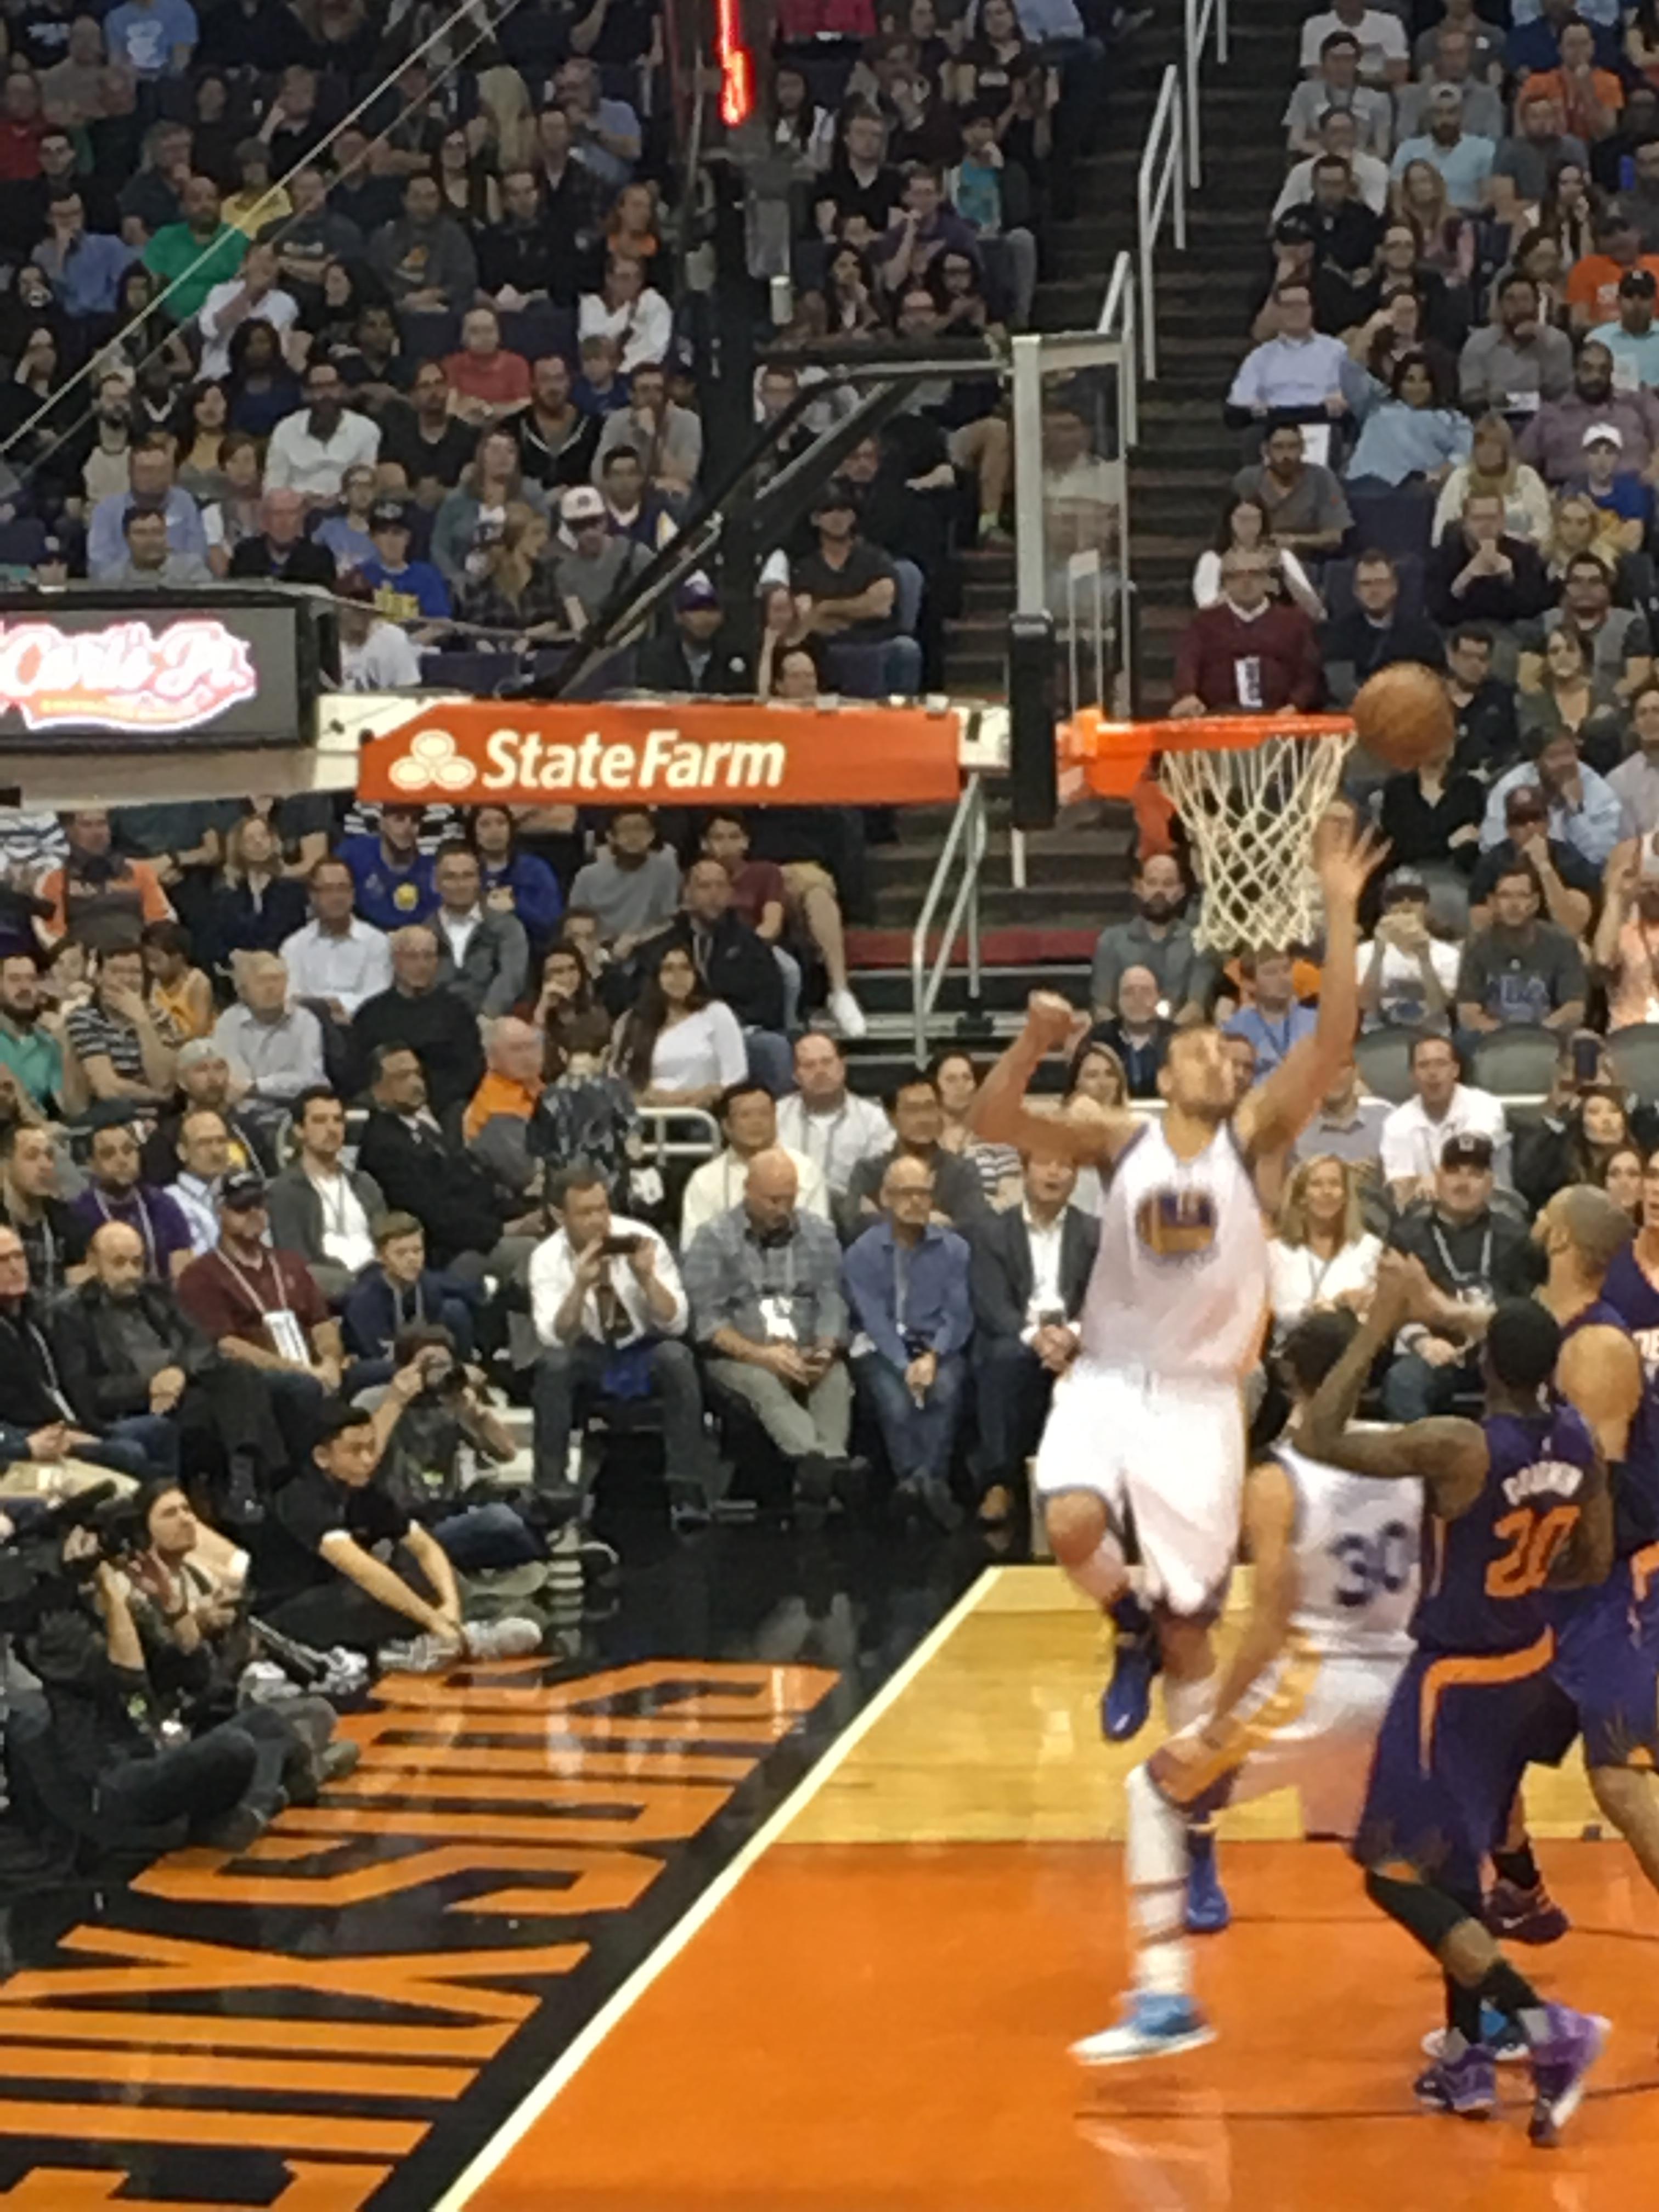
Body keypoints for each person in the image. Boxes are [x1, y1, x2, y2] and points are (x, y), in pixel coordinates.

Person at [969, 820, 1382, 1934]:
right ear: (1170, 1062)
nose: (1225, 1059)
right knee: (1064, 1525)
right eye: (1207, 1049)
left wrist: (1338, 905)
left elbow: (1335, 1033)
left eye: (1235, 1053)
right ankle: (1126, 1619)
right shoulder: (1117, 1134)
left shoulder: (1259, 1140)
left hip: (1203, 1402)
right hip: (1109, 1377)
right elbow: (992, 1123)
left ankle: (1196, 1833)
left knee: (1203, 1632)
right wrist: (1030, 1043)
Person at [1295, 1266, 1610, 2137]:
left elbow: (1319, 1434)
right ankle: (1469, 2060)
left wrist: (1381, 1324)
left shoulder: (1460, 1447)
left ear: (1489, 1368)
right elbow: (1592, 1557)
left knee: (1394, 1875)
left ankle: (1550, 2029)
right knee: (1454, 1865)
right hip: (1530, 1668)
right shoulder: (1578, 1437)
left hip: (1458, 1677)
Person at [1071, 1304, 1420, 2066]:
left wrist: (1222, 1720)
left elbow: (1271, 1615)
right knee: (1417, 1853)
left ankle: (1165, 1997)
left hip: (1319, 1682)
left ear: (1289, 1378)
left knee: (1158, 1791)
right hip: (1403, 1681)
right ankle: (1493, 2011)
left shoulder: (1281, 1477)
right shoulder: (1412, 1455)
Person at [250, 1401, 537, 1665]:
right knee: (367, 1592)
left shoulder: (363, 1491)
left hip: (336, 1593)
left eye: (371, 1448)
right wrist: (432, 1619)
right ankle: (441, 1642)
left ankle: (443, 1636)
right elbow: (361, 1569)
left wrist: (450, 1604)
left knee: (416, 1565)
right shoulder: (299, 1497)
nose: (367, 1459)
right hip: (284, 1608)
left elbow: (425, 1546)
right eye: (355, 1451)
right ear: (322, 1457)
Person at [53, 1221, 291, 1514]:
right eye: (119, 1263)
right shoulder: (71, 1313)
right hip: (142, 1405)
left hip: (186, 1389)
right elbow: (87, 1391)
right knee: (240, 1397)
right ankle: (261, 1482)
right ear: (93, 1262)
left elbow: (201, 1345)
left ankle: (244, 1481)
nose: (131, 1273)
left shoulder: (155, 1293)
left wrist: (178, 1372)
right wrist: (150, 1385)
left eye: (137, 1262)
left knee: (239, 1375)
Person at [528, 1166, 719, 1528]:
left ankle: (686, 1488)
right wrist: (580, 1287)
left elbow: (676, 1323)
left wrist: (646, 1278)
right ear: (559, 1215)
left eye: (602, 1208)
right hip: (588, 1352)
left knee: (677, 1358)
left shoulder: (644, 1239)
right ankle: (550, 1486)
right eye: (585, 1213)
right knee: (554, 1365)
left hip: (643, 1347)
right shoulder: (547, 1258)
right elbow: (554, 1336)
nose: (599, 1220)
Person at [682, 1149, 856, 1508]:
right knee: (764, 1383)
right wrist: (763, 1355)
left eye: (789, 1199)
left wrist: (823, 1350)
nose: (782, 1208)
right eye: (772, 1199)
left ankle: (823, 1469)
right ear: (749, 1191)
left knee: (835, 1378)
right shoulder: (712, 1239)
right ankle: (823, 1465)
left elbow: (832, 1300)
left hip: (807, 1347)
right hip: (741, 1355)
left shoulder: (820, 1234)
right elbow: (708, 1322)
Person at [967, 1150, 1098, 1526]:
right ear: (1024, 1171)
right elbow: (991, 1301)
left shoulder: (1095, 1233)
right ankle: (999, 1484)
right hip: (1018, 1334)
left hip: (1079, 1337)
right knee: (1001, 1359)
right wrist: (1038, 1339)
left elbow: (1106, 1299)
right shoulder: (992, 1232)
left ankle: (1091, 1490)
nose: (1054, 1171)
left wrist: (1071, 1335)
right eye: (1045, 1162)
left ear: (1076, 1178)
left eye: (1065, 1164)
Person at [842, 1154, 972, 1528]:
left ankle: (921, 1485)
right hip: (882, 1347)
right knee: (896, 1401)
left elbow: (958, 1314)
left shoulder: (955, 1249)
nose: (916, 1202)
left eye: (924, 1193)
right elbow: (873, 1319)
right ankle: (923, 1487)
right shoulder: (862, 1253)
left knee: (945, 1391)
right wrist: (904, 1363)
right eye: (906, 1193)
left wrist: (932, 1356)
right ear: (885, 1197)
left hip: (937, 1346)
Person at [176, 1172, 343, 1454]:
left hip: (311, 1367)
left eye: (259, 1205)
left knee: (372, 1375)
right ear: (220, 1212)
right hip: (255, 1379)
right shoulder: (201, 1276)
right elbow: (227, 1345)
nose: (254, 1214)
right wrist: (299, 1371)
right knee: (301, 1389)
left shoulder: (290, 1263)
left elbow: (321, 1323)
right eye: (242, 1207)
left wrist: (330, 1362)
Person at [1382, 1133, 1536, 1420]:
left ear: (1490, 1183)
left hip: (1501, 1352)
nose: (1462, 1183)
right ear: (1438, 1178)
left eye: (1475, 1174)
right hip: (1436, 1350)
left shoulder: (1516, 1236)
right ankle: (1418, 1463)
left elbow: (1528, 1308)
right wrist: (1423, 1342)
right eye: (1453, 1172)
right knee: (1404, 1381)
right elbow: (1393, 1309)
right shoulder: (1407, 1235)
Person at [355, 1046, 533, 1277]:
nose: (415, 1083)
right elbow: (432, 1215)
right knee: (534, 1253)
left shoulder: (429, 1127)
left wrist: (520, 1213)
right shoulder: (383, 1144)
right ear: (377, 1089)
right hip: (446, 1253)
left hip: (480, 1231)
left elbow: (470, 1183)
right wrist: (503, 1230)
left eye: (417, 1073)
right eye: (402, 1077)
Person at [1170, 549, 1325, 718]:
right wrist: (1187, 695)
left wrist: (1296, 705)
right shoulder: (1203, 624)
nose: (1246, 582)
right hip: (1220, 720)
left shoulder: (1295, 622)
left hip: (1281, 717)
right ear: (1224, 584)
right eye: (1235, 575)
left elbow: (1310, 673)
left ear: (1267, 580)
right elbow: (1187, 664)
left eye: (1255, 574)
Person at [351, 927, 484, 1120]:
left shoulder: (457, 1011)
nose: (422, 965)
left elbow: (470, 1069)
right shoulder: (371, 1014)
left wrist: (426, 1099)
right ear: (396, 961)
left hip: (444, 1107)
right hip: (386, 1107)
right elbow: (359, 1071)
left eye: (429, 956)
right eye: (412, 957)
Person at [264, 1088, 383, 1302]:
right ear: (300, 1130)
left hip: (380, 1279)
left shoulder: (364, 1183)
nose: (331, 1129)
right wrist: (349, 1279)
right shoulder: (285, 1191)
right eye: (320, 1121)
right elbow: (296, 1260)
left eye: (338, 1120)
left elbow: (388, 1237)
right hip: (333, 1287)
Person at [842, 1070, 990, 1237]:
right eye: (912, 1110)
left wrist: (886, 1218)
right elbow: (854, 1228)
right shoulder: (869, 1172)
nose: (923, 1119)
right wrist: (931, 1220)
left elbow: (974, 1230)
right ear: (892, 1117)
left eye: (929, 1108)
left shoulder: (962, 1172)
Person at [679, 1081, 830, 1244]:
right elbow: (694, 1247)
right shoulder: (704, 1180)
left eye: (764, 1114)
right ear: (726, 1126)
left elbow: (820, 1238)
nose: (756, 1122)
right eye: (746, 1115)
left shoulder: (805, 1169)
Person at [1455, 861, 1588, 1033]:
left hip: (1549, 1036)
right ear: (1492, 902)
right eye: (1505, 896)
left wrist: (1539, 1032)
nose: (1514, 904)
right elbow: (1467, 1012)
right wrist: (1499, 1033)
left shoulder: (1561, 943)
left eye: (1522, 896)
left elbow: (1574, 1009)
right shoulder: (1477, 945)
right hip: (1490, 1038)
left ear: (1535, 902)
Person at [1381, 1035, 1510, 1209]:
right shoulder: (1397, 1122)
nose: (1432, 1073)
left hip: (1491, 1208)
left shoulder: (1485, 1105)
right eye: (1423, 1065)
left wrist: (1434, 1180)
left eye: (1441, 1064)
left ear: (1455, 1070)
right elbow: (1400, 1188)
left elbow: (1469, 1150)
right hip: (1425, 1214)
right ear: (1413, 1075)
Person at [341, 1212, 475, 1373]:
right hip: (374, 1367)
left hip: (419, 1358)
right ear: (380, 1257)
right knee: (380, 1370)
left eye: (417, 1251)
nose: (412, 1259)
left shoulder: (426, 1283)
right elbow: (378, 1354)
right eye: (401, 1253)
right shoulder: (364, 1300)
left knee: (455, 1310)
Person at [1090, 853, 1215, 1024]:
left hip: (1180, 1042)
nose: (1159, 891)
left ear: (1181, 892)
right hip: (1123, 1044)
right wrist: (1129, 1040)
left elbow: (1196, 1008)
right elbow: (1101, 1008)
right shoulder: (1111, 941)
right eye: (1152, 883)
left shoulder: (1198, 942)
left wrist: (1164, 1039)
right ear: (1138, 888)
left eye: (1168, 884)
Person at [1266, 1154, 1383, 1338]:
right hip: (1297, 1348)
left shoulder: (1369, 1247)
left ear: (1346, 1196)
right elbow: (1279, 1312)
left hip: (1357, 1348)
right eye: (1317, 1185)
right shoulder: (1276, 1251)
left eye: (1335, 1184)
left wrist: (1364, 1303)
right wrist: (1329, 1306)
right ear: (1301, 1197)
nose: (1327, 1192)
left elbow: (1380, 1306)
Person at [71, 1122, 193, 1285]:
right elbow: (76, 1276)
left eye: (128, 1151)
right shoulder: (79, 1214)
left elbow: (183, 1273)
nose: (121, 1160)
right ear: (92, 1165)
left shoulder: (163, 1204)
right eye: (108, 1154)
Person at [775, 1032, 894, 1201]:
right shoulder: (776, 1117)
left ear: (842, 1067)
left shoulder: (874, 1121)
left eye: (827, 1062)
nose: (820, 1071)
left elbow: (883, 1179)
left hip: (854, 1216)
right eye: (809, 1065)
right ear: (796, 1076)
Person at [211, 952, 326, 1123]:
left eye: (277, 979)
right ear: (242, 991)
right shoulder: (228, 1023)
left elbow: (310, 1078)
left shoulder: (306, 1022)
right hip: (241, 1117)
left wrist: (256, 1087)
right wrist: (275, 1085)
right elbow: (233, 1081)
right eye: (262, 981)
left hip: (295, 1115)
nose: (271, 988)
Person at [279, 856, 393, 1024]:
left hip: (361, 1027)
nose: (337, 897)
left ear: (353, 895)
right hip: (307, 1028)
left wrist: (337, 1006)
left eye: (343, 888)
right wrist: (326, 1008)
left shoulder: (377, 942)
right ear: (313, 896)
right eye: (327, 889)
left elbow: (377, 995)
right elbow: (291, 997)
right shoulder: (294, 946)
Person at [38, 811, 173, 953]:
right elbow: (54, 935)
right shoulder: (56, 880)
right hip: (84, 963)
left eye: (102, 824)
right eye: (87, 825)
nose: (97, 832)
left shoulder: (141, 873)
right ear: (69, 830)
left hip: (135, 962)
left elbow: (159, 923)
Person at [428, 842, 529, 1020]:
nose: (460, 885)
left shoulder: (508, 927)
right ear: (436, 883)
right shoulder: (424, 933)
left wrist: (486, 1017)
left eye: (468, 876)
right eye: (450, 877)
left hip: (492, 1025)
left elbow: (512, 978)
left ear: (479, 880)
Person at [568, 808, 681, 956]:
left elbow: (668, 922)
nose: (634, 836)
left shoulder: (666, 870)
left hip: (649, 951)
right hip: (599, 952)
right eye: (626, 829)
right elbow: (574, 925)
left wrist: (637, 941)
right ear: (610, 836)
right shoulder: (587, 877)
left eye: (640, 829)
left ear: (652, 835)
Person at [1357, 867, 1460, 1031]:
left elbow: (1441, 1009)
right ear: (1385, 908)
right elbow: (1365, 1005)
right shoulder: (1365, 952)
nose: (1406, 904)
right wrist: (1378, 954)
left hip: (1431, 1039)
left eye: (1415, 897)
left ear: (1426, 907)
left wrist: (1424, 958)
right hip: (1379, 1040)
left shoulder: (1448, 955)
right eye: (1396, 898)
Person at [1222, 950, 1317, 1075]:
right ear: (1249, 983)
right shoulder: (1235, 1030)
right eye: (1271, 973)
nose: (1283, 979)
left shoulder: (1316, 1020)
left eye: (1286, 969)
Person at [162, 1107, 228, 1256]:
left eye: (221, 1141)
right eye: (204, 1143)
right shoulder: (169, 1202)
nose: (216, 1151)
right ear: (182, 1152)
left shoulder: (241, 1192)